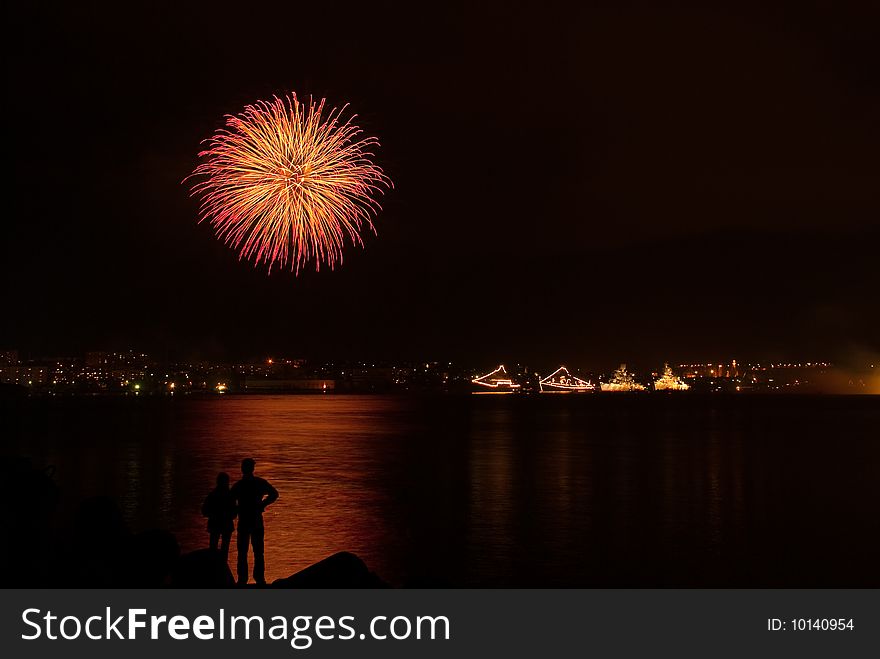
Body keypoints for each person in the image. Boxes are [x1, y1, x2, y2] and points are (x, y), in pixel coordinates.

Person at [230, 458, 278, 585]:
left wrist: (236, 510)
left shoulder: (238, 486)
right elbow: (274, 494)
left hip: (244, 521)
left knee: (242, 551)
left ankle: (242, 580)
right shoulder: (259, 483)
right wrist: (262, 504)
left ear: (242, 469)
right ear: (253, 469)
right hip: (256, 520)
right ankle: (260, 579)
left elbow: (230, 501)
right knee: (258, 552)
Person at [201, 472, 237, 562]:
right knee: (225, 549)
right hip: (227, 525)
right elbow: (234, 513)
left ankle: (213, 567)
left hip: (214, 524)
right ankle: (223, 567)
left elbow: (204, 511)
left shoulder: (212, 495)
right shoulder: (230, 496)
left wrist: (213, 515)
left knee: (213, 547)